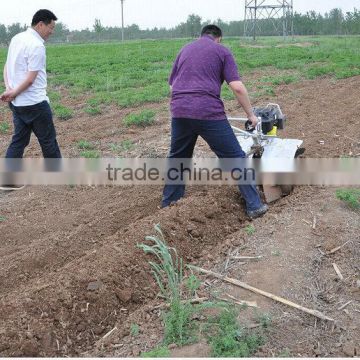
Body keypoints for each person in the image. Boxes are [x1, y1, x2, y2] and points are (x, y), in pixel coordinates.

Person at [161, 24, 268, 219]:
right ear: (219, 38)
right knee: (235, 157)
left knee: (178, 157)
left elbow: (171, 86)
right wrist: (251, 115)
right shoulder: (221, 50)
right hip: (207, 112)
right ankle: (254, 206)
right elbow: (237, 87)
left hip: (179, 111)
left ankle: (169, 204)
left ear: (201, 36)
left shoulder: (185, 49)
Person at [0, 9, 61, 190]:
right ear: (40, 24)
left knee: (19, 140)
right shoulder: (37, 45)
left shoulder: (16, 38)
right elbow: (30, 79)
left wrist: (10, 90)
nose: (52, 31)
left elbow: (6, 67)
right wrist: (14, 91)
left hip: (18, 104)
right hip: (35, 103)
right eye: (51, 27)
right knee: (48, 140)